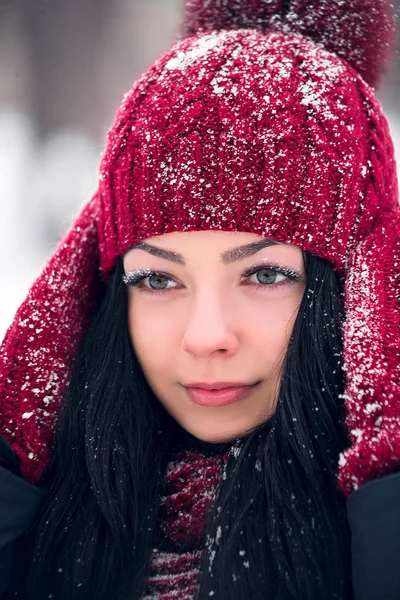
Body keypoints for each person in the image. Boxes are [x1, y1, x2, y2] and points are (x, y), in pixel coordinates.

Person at [0, 0, 399, 598]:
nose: (206, 335)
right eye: (158, 280)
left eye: (264, 275)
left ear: (361, 286)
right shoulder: (43, 523)